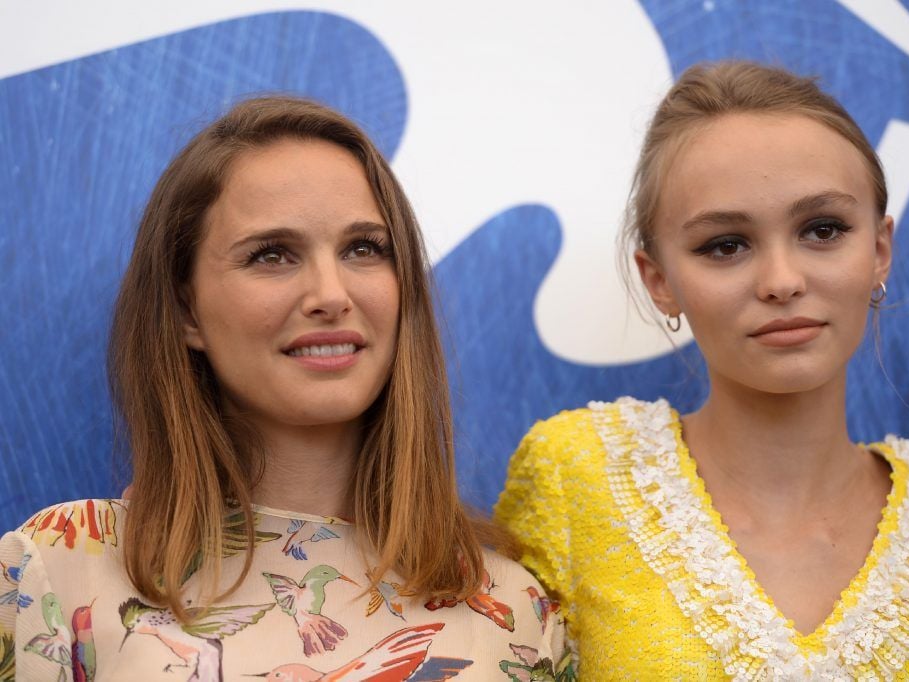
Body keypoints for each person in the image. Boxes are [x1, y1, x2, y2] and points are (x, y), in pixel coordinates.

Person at [0, 96, 573, 681]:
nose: (331, 292)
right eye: (272, 255)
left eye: (363, 249)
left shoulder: (512, 609)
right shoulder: (61, 569)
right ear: (185, 310)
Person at [496, 61, 909, 679]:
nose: (782, 281)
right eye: (726, 245)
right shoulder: (572, 478)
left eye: (822, 230)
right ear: (659, 280)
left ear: (879, 250)